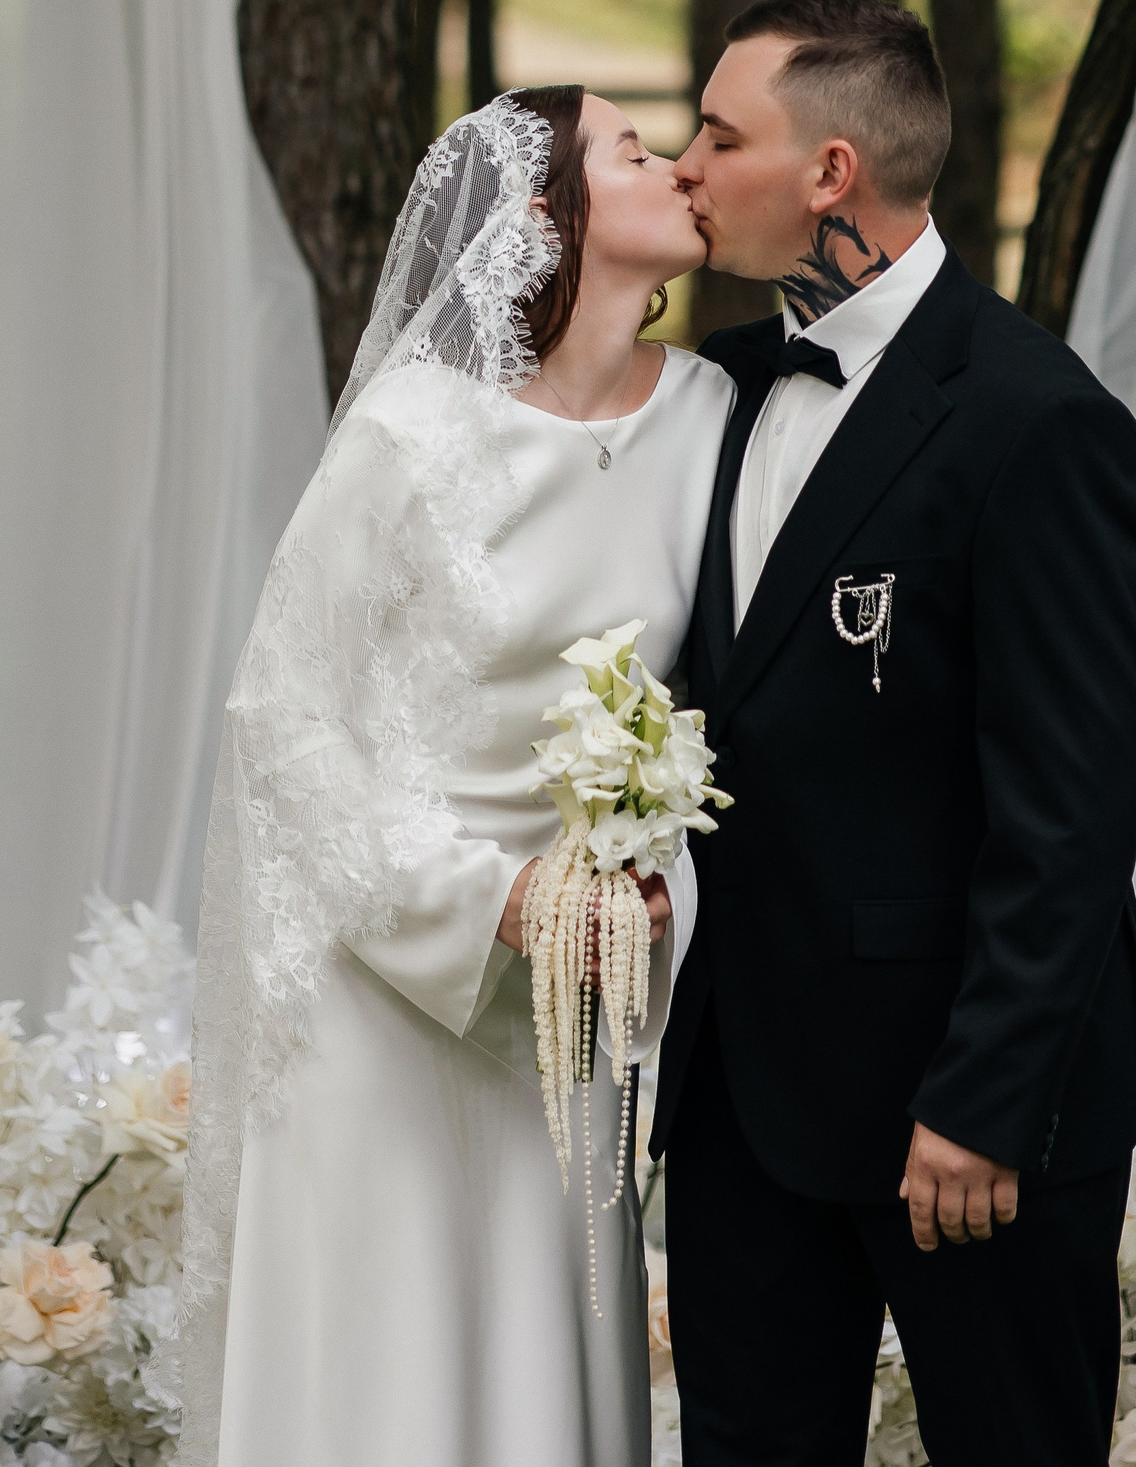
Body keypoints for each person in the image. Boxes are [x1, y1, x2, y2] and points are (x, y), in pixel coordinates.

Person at [181, 87, 733, 1467]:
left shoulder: (712, 416)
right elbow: (280, 719)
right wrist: (490, 902)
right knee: (387, 1369)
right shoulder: (416, 430)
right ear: (548, 217)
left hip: (570, 999)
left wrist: (649, 886)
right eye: (634, 151)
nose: (678, 169)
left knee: (540, 1351)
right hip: (389, 987)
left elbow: (718, 703)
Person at [655, 0, 1136, 1467]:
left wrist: (984, 1100)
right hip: (748, 1096)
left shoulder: (1038, 423)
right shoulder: (721, 389)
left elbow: (1072, 810)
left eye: (719, 136)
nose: (687, 166)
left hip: (967, 1113)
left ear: (831, 172)